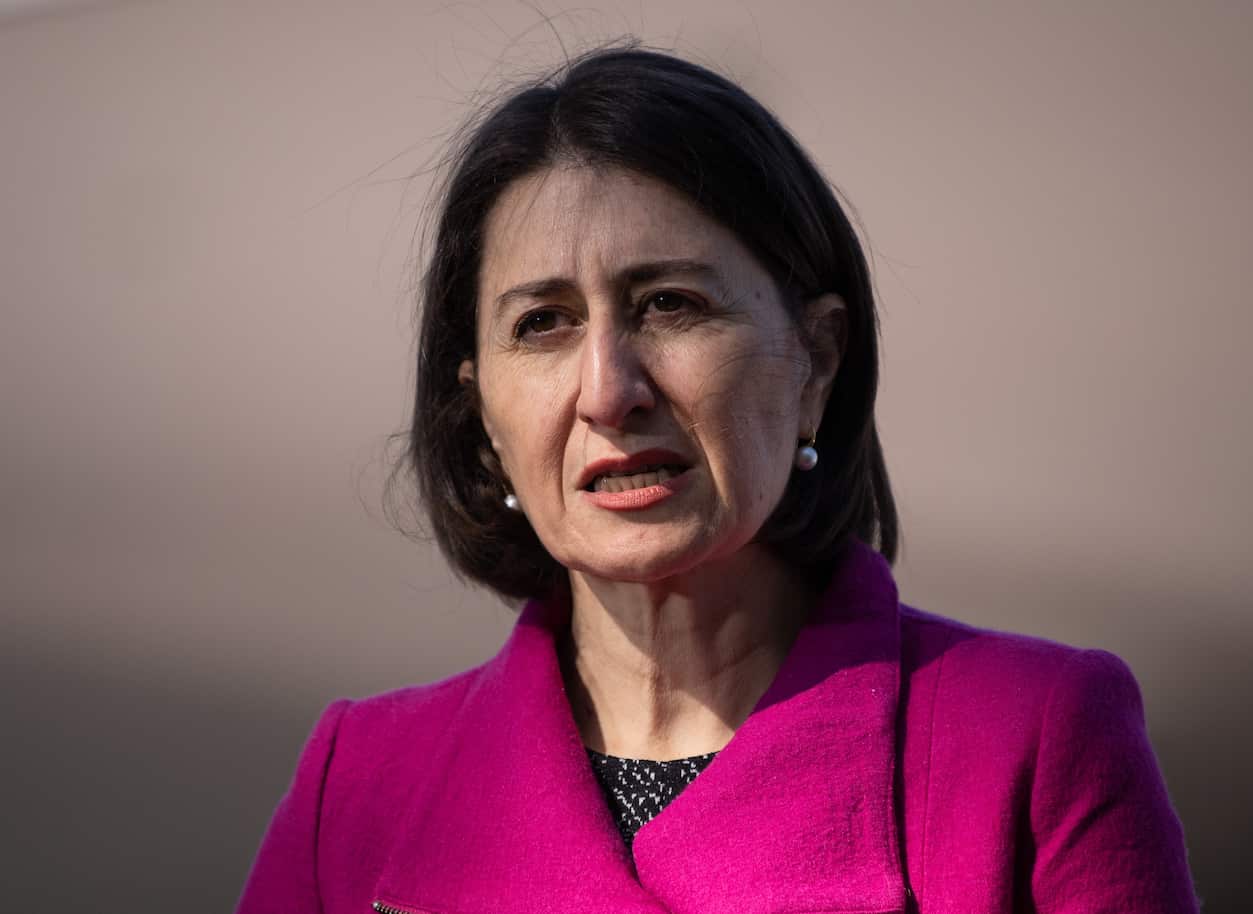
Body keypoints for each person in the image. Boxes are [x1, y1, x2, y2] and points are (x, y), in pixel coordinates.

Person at [236, 46, 1198, 913]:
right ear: (482, 408)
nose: (610, 391)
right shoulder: (357, 785)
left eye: (669, 304)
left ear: (816, 358)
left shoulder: (1033, 741)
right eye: (543, 323)